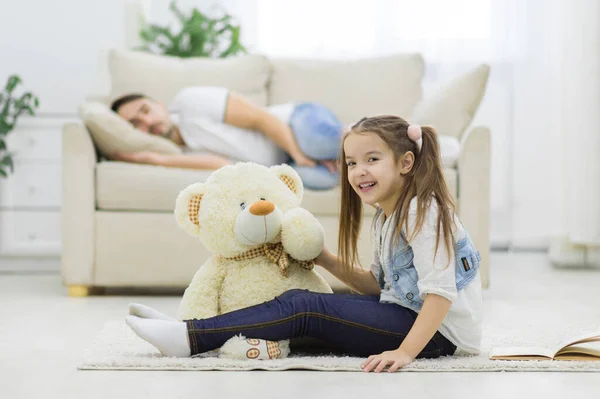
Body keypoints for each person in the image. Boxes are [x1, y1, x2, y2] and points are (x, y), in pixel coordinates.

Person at [124, 115, 483, 373]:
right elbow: (378, 286)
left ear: (406, 163)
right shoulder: (388, 217)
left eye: (372, 160)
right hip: (408, 315)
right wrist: (323, 258)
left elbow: (439, 295)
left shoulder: (424, 212)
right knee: (309, 317)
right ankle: (195, 330)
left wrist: (405, 353)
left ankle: (189, 337)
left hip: (440, 334)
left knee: (305, 307)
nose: (359, 171)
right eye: (352, 162)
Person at [110, 87, 341, 190]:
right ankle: (348, 157)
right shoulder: (180, 153)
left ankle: (363, 135)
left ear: (159, 105)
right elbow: (224, 166)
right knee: (325, 179)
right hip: (287, 163)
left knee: (317, 144)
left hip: (294, 122)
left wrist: (302, 155)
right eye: (135, 125)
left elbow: (261, 118)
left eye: (145, 111)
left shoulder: (190, 102)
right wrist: (155, 159)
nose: (147, 123)